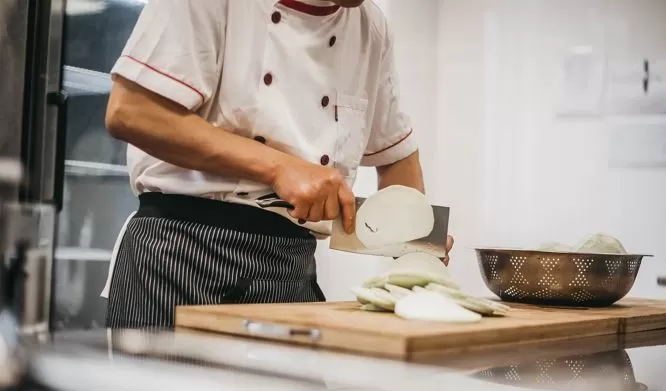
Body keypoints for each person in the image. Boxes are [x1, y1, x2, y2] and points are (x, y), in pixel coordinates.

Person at [102, 0, 453, 329]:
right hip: (179, 258)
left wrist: (415, 251)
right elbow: (132, 111)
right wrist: (279, 168)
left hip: (291, 264)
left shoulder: (370, 27)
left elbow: (397, 156)